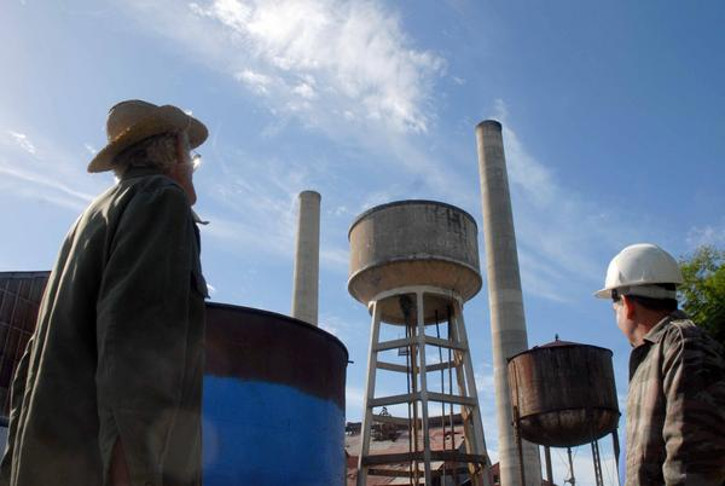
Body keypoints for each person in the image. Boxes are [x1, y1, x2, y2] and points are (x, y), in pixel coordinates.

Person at [0, 100, 210, 486]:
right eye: (191, 152)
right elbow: (136, 356)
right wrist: (140, 473)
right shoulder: (160, 199)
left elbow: (28, 368)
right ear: (176, 151)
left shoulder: (89, 218)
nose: (193, 162)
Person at [595, 243, 725, 486]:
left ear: (628, 305)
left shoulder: (684, 344)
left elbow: (695, 464)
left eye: (615, 308)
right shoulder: (654, 353)